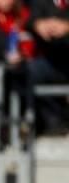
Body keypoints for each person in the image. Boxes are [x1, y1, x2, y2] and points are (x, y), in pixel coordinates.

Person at [27, 0, 69, 134]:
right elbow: (29, 21)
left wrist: (67, 27)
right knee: (31, 72)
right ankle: (52, 121)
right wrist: (38, 24)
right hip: (50, 61)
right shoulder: (41, 2)